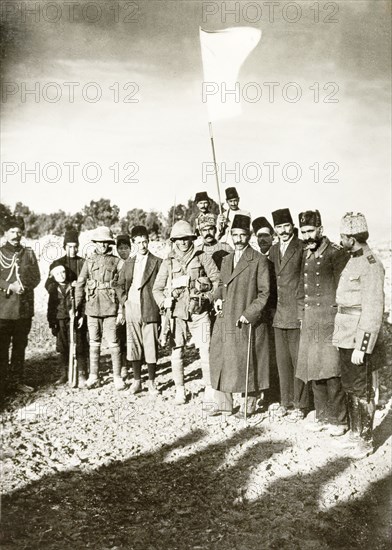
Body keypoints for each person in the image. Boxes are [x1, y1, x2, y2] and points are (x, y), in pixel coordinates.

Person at [334, 212, 385, 459]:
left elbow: (373, 310)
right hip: (346, 334)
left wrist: (362, 346)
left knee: (363, 390)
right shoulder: (353, 259)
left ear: (352, 238)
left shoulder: (370, 264)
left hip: (358, 338)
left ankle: (365, 441)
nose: (340, 240)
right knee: (351, 388)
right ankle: (355, 435)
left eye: (343, 236)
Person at [209, 214, 270, 418]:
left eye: (242, 235)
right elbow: (220, 284)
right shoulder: (226, 260)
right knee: (220, 358)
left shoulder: (259, 260)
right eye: (234, 235)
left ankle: (247, 406)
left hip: (244, 319)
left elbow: (264, 293)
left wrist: (249, 314)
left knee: (248, 360)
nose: (238, 239)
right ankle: (223, 405)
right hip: (224, 317)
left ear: (249, 235)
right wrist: (217, 298)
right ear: (230, 234)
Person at [153, 221, 220, 405]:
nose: (183, 243)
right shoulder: (168, 261)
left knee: (205, 350)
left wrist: (208, 298)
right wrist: (164, 301)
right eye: (179, 239)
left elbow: (217, 281)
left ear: (192, 238)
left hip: (199, 311)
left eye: (187, 239)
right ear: (174, 240)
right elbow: (156, 289)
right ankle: (180, 390)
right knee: (176, 352)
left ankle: (209, 388)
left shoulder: (202, 257)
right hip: (177, 313)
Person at [296, 210, 349, 435]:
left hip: (330, 321)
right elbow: (302, 289)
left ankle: (340, 420)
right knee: (313, 369)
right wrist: (302, 317)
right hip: (310, 322)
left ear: (320, 230)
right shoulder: (306, 253)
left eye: (310, 231)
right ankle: (322, 415)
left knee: (331, 371)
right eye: (304, 232)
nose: (307, 236)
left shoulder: (336, 254)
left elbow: (344, 292)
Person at [269, 208, 309, 419]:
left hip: (296, 314)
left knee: (298, 361)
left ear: (292, 226)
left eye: (286, 226)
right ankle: (285, 401)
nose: (283, 231)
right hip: (279, 315)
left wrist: (303, 312)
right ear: (275, 229)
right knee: (282, 361)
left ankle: (301, 405)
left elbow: (305, 281)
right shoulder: (274, 250)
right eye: (279, 227)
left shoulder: (301, 248)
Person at [75, 226, 125, 391]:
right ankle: (93, 375)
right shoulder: (88, 262)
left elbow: (122, 287)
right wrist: (77, 307)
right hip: (92, 307)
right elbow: (80, 285)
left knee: (113, 342)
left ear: (110, 243)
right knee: (94, 342)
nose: (103, 245)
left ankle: (117, 377)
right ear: (95, 243)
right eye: (100, 242)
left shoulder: (117, 262)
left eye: (106, 242)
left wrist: (121, 310)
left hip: (111, 307)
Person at [115, 226, 162, 395]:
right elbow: (118, 284)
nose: (142, 245)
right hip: (132, 307)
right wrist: (125, 301)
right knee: (133, 344)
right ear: (133, 243)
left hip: (150, 307)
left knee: (151, 346)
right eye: (139, 242)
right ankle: (137, 381)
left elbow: (162, 285)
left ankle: (151, 381)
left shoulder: (158, 262)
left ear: (149, 241)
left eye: (145, 241)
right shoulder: (129, 263)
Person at [0, 216, 40, 400]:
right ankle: (2, 383)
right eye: (12, 232)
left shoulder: (29, 253)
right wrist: (10, 286)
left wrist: (25, 284)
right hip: (4, 310)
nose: (16, 235)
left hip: (23, 310)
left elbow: (36, 277)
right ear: (5, 233)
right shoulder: (0, 252)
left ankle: (17, 381)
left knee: (19, 346)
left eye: (19, 232)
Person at [45, 228, 88, 381]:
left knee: (81, 340)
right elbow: (48, 285)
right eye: (69, 246)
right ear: (64, 247)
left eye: (75, 246)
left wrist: (80, 286)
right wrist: (63, 285)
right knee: (63, 343)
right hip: (62, 310)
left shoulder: (83, 262)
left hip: (79, 308)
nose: (72, 249)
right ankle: (65, 373)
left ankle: (82, 372)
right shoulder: (58, 263)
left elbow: (88, 283)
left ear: (78, 246)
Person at [252, 216, 279, 405]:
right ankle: (267, 393)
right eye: (259, 236)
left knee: (277, 355)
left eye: (266, 236)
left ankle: (277, 394)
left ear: (273, 237)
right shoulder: (255, 259)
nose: (262, 240)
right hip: (263, 314)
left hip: (278, 312)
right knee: (264, 355)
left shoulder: (278, 256)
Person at [47, 265, 87, 387]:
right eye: (58, 274)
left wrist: (81, 316)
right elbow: (51, 308)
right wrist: (52, 324)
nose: (61, 275)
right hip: (60, 321)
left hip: (73, 321)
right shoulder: (54, 289)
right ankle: (64, 374)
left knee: (79, 345)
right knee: (63, 347)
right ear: (53, 277)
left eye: (63, 272)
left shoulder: (74, 287)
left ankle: (81, 374)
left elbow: (83, 302)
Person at [115, 234, 131, 378]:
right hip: (119, 305)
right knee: (120, 336)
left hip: (132, 304)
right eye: (120, 248)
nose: (123, 251)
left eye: (126, 248)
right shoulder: (117, 265)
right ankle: (123, 365)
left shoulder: (134, 263)